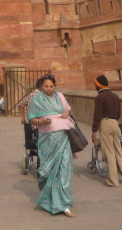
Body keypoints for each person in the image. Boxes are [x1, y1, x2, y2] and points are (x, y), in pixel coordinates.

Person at [27, 74, 77, 218]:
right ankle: (48, 200)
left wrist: (66, 112)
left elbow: (67, 110)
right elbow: (31, 119)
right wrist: (42, 122)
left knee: (64, 171)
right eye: (46, 86)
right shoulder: (36, 99)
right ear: (41, 86)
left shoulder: (60, 96)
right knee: (46, 172)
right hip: (47, 140)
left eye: (51, 86)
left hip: (63, 139)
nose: (49, 89)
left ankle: (64, 205)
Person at [91, 74, 122, 187]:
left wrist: (94, 130)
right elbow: (119, 113)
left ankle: (112, 181)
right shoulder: (115, 96)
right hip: (115, 124)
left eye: (95, 84)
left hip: (105, 124)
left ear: (99, 85)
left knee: (109, 153)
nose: (95, 86)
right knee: (119, 151)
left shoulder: (100, 98)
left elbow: (97, 115)